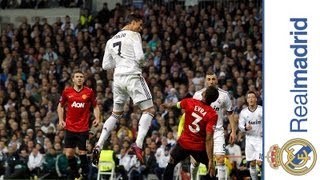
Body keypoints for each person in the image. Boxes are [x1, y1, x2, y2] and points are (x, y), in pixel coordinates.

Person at [92, 13, 155, 165]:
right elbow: (140, 57)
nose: (141, 28)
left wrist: (121, 62)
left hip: (118, 78)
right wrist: (141, 63)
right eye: (139, 25)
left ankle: (99, 144)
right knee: (149, 110)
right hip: (132, 75)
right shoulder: (134, 35)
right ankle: (138, 144)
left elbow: (105, 65)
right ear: (132, 22)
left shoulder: (111, 40)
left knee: (116, 114)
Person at [184, 72, 237, 180]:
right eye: (208, 79)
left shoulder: (224, 95)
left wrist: (233, 131)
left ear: (217, 80)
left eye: (213, 79)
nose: (211, 81)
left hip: (217, 131)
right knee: (195, 161)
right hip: (201, 132)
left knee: (220, 159)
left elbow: (230, 113)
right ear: (205, 81)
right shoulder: (198, 95)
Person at [162, 86, 220, 180]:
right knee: (211, 169)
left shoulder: (190, 102)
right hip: (199, 148)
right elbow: (209, 139)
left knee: (171, 164)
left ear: (203, 94)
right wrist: (210, 160)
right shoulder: (212, 114)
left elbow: (176, 105)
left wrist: (168, 106)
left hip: (183, 144)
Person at [57, 70, 100, 179]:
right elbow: (60, 106)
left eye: (81, 76)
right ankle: (76, 174)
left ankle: (85, 175)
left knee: (82, 153)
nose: (79, 78)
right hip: (70, 128)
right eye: (77, 76)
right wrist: (61, 119)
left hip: (83, 128)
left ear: (83, 79)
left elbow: (95, 106)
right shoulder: (67, 92)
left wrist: (97, 118)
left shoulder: (89, 92)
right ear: (73, 79)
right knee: (69, 154)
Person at [238, 91, 262, 180]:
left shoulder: (262, 110)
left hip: (260, 139)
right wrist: (245, 128)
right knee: (252, 163)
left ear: (256, 99)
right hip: (249, 139)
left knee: (260, 162)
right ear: (247, 100)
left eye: (252, 97)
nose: (251, 99)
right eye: (249, 98)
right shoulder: (243, 112)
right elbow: (240, 126)